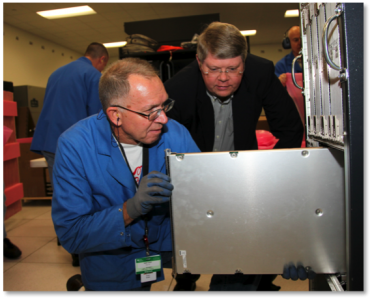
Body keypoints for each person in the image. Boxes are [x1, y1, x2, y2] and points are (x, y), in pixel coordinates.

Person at [164, 22, 305, 291]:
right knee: (190, 240)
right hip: (194, 173)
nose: (223, 78)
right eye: (214, 69)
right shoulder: (178, 88)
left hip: (243, 173)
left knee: (246, 240)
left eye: (233, 69)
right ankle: (186, 277)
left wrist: (264, 174)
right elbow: (162, 146)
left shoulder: (261, 71)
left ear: (245, 61)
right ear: (199, 60)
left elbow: (290, 128)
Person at [51, 58, 200, 291]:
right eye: (151, 111)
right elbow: (71, 234)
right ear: (116, 115)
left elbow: (205, 194)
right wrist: (129, 209)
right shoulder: (76, 146)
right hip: (110, 257)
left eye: (164, 105)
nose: (164, 118)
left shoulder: (175, 134)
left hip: (164, 244)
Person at [30, 42, 109, 266]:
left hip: (49, 141)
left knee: (62, 192)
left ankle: (66, 238)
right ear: (102, 59)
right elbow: (98, 116)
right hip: (75, 145)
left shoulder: (56, 73)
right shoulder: (93, 75)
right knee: (86, 191)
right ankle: (81, 248)